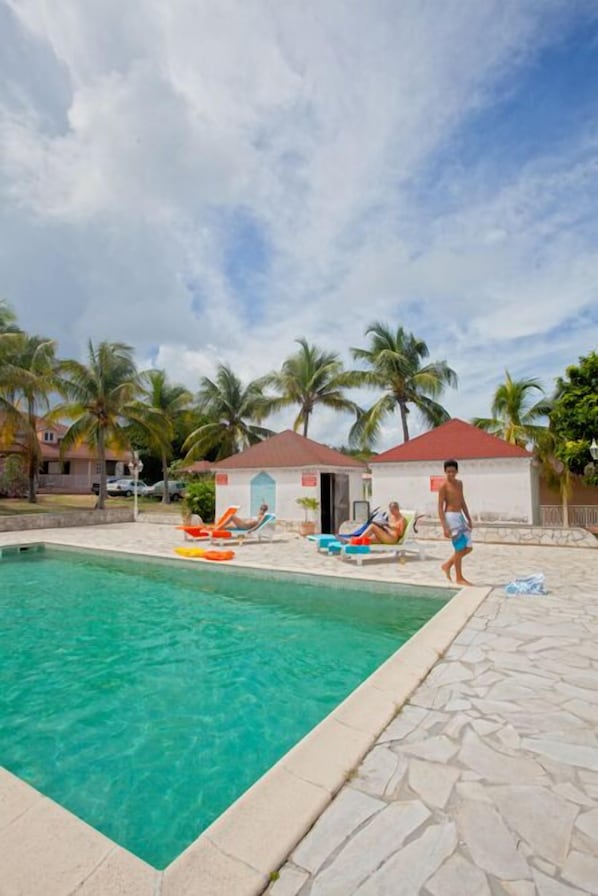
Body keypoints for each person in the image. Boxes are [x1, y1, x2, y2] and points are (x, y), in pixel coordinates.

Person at [438, 459, 473, 585]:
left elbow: (462, 501)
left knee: (468, 548)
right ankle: (459, 578)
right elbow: (440, 507)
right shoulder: (443, 486)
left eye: (453, 471)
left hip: (460, 517)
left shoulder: (459, 484)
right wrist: (444, 526)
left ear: (457, 471)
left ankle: (447, 565)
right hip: (451, 517)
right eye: (448, 472)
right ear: (445, 472)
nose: (451, 474)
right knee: (459, 548)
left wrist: (468, 518)